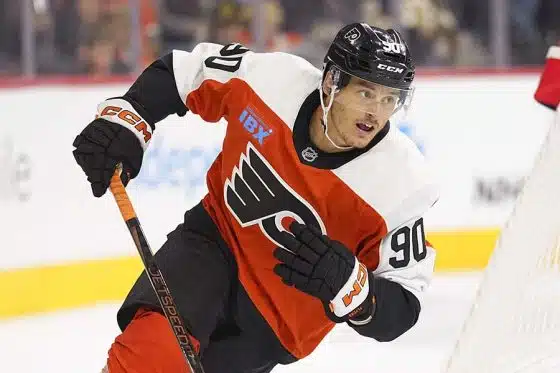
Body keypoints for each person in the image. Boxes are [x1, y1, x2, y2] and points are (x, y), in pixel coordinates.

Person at [72, 22, 439, 373]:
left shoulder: (402, 183)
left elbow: (404, 306)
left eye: (390, 99)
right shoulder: (271, 81)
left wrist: (353, 288)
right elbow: (184, 72)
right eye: (365, 93)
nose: (376, 113)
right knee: (150, 354)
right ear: (331, 82)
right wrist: (129, 116)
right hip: (211, 244)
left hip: (275, 325)